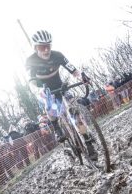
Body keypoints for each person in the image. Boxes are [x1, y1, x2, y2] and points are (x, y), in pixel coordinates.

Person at [25, 30, 97, 160]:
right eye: (42, 47)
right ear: (35, 47)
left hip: (60, 85)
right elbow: (31, 81)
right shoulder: (31, 61)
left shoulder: (57, 55)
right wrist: (39, 91)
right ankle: (57, 127)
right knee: (50, 107)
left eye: (48, 46)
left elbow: (74, 70)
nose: (46, 50)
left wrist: (82, 77)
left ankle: (86, 137)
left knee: (74, 113)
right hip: (44, 89)